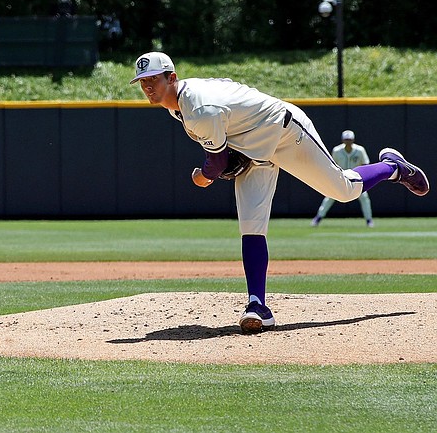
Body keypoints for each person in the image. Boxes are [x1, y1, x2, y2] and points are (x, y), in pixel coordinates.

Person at [129, 51, 429, 334]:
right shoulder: (179, 104)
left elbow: (217, 160)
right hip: (253, 151)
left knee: (344, 190)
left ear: (172, 77)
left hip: (285, 132)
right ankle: (258, 306)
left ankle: (392, 167)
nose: (148, 87)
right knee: (251, 227)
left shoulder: (199, 107)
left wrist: (204, 177)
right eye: (143, 82)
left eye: (153, 79)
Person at [311, 130, 374, 227]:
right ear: (343, 140)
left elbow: (365, 164)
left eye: (350, 140)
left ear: (353, 140)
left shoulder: (360, 150)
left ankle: (369, 221)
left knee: (364, 198)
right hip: (341, 178)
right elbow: (332, 165)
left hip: (356, 179)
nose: (348, 142)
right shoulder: (337, 150)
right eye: (346, 140)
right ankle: (318, 218)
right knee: (330, 197)